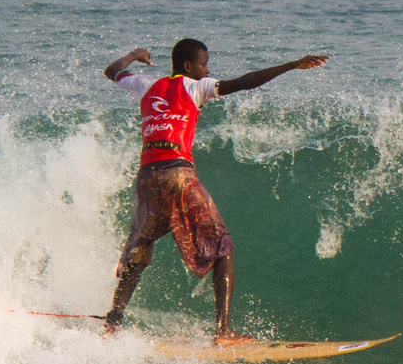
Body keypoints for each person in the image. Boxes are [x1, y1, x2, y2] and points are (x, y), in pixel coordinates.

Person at [102, 38, 329, 339]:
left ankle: (112, 323)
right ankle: (223, 331)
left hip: (147, 179)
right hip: (177, 175)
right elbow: (245, 82)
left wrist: (132, 54)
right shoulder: (196, 87)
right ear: (188, 66)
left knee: (140, 252)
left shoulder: (146, 85)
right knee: (222, 248)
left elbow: (112, 71)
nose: (208, 69)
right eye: (204, 63)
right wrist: (291, 65)